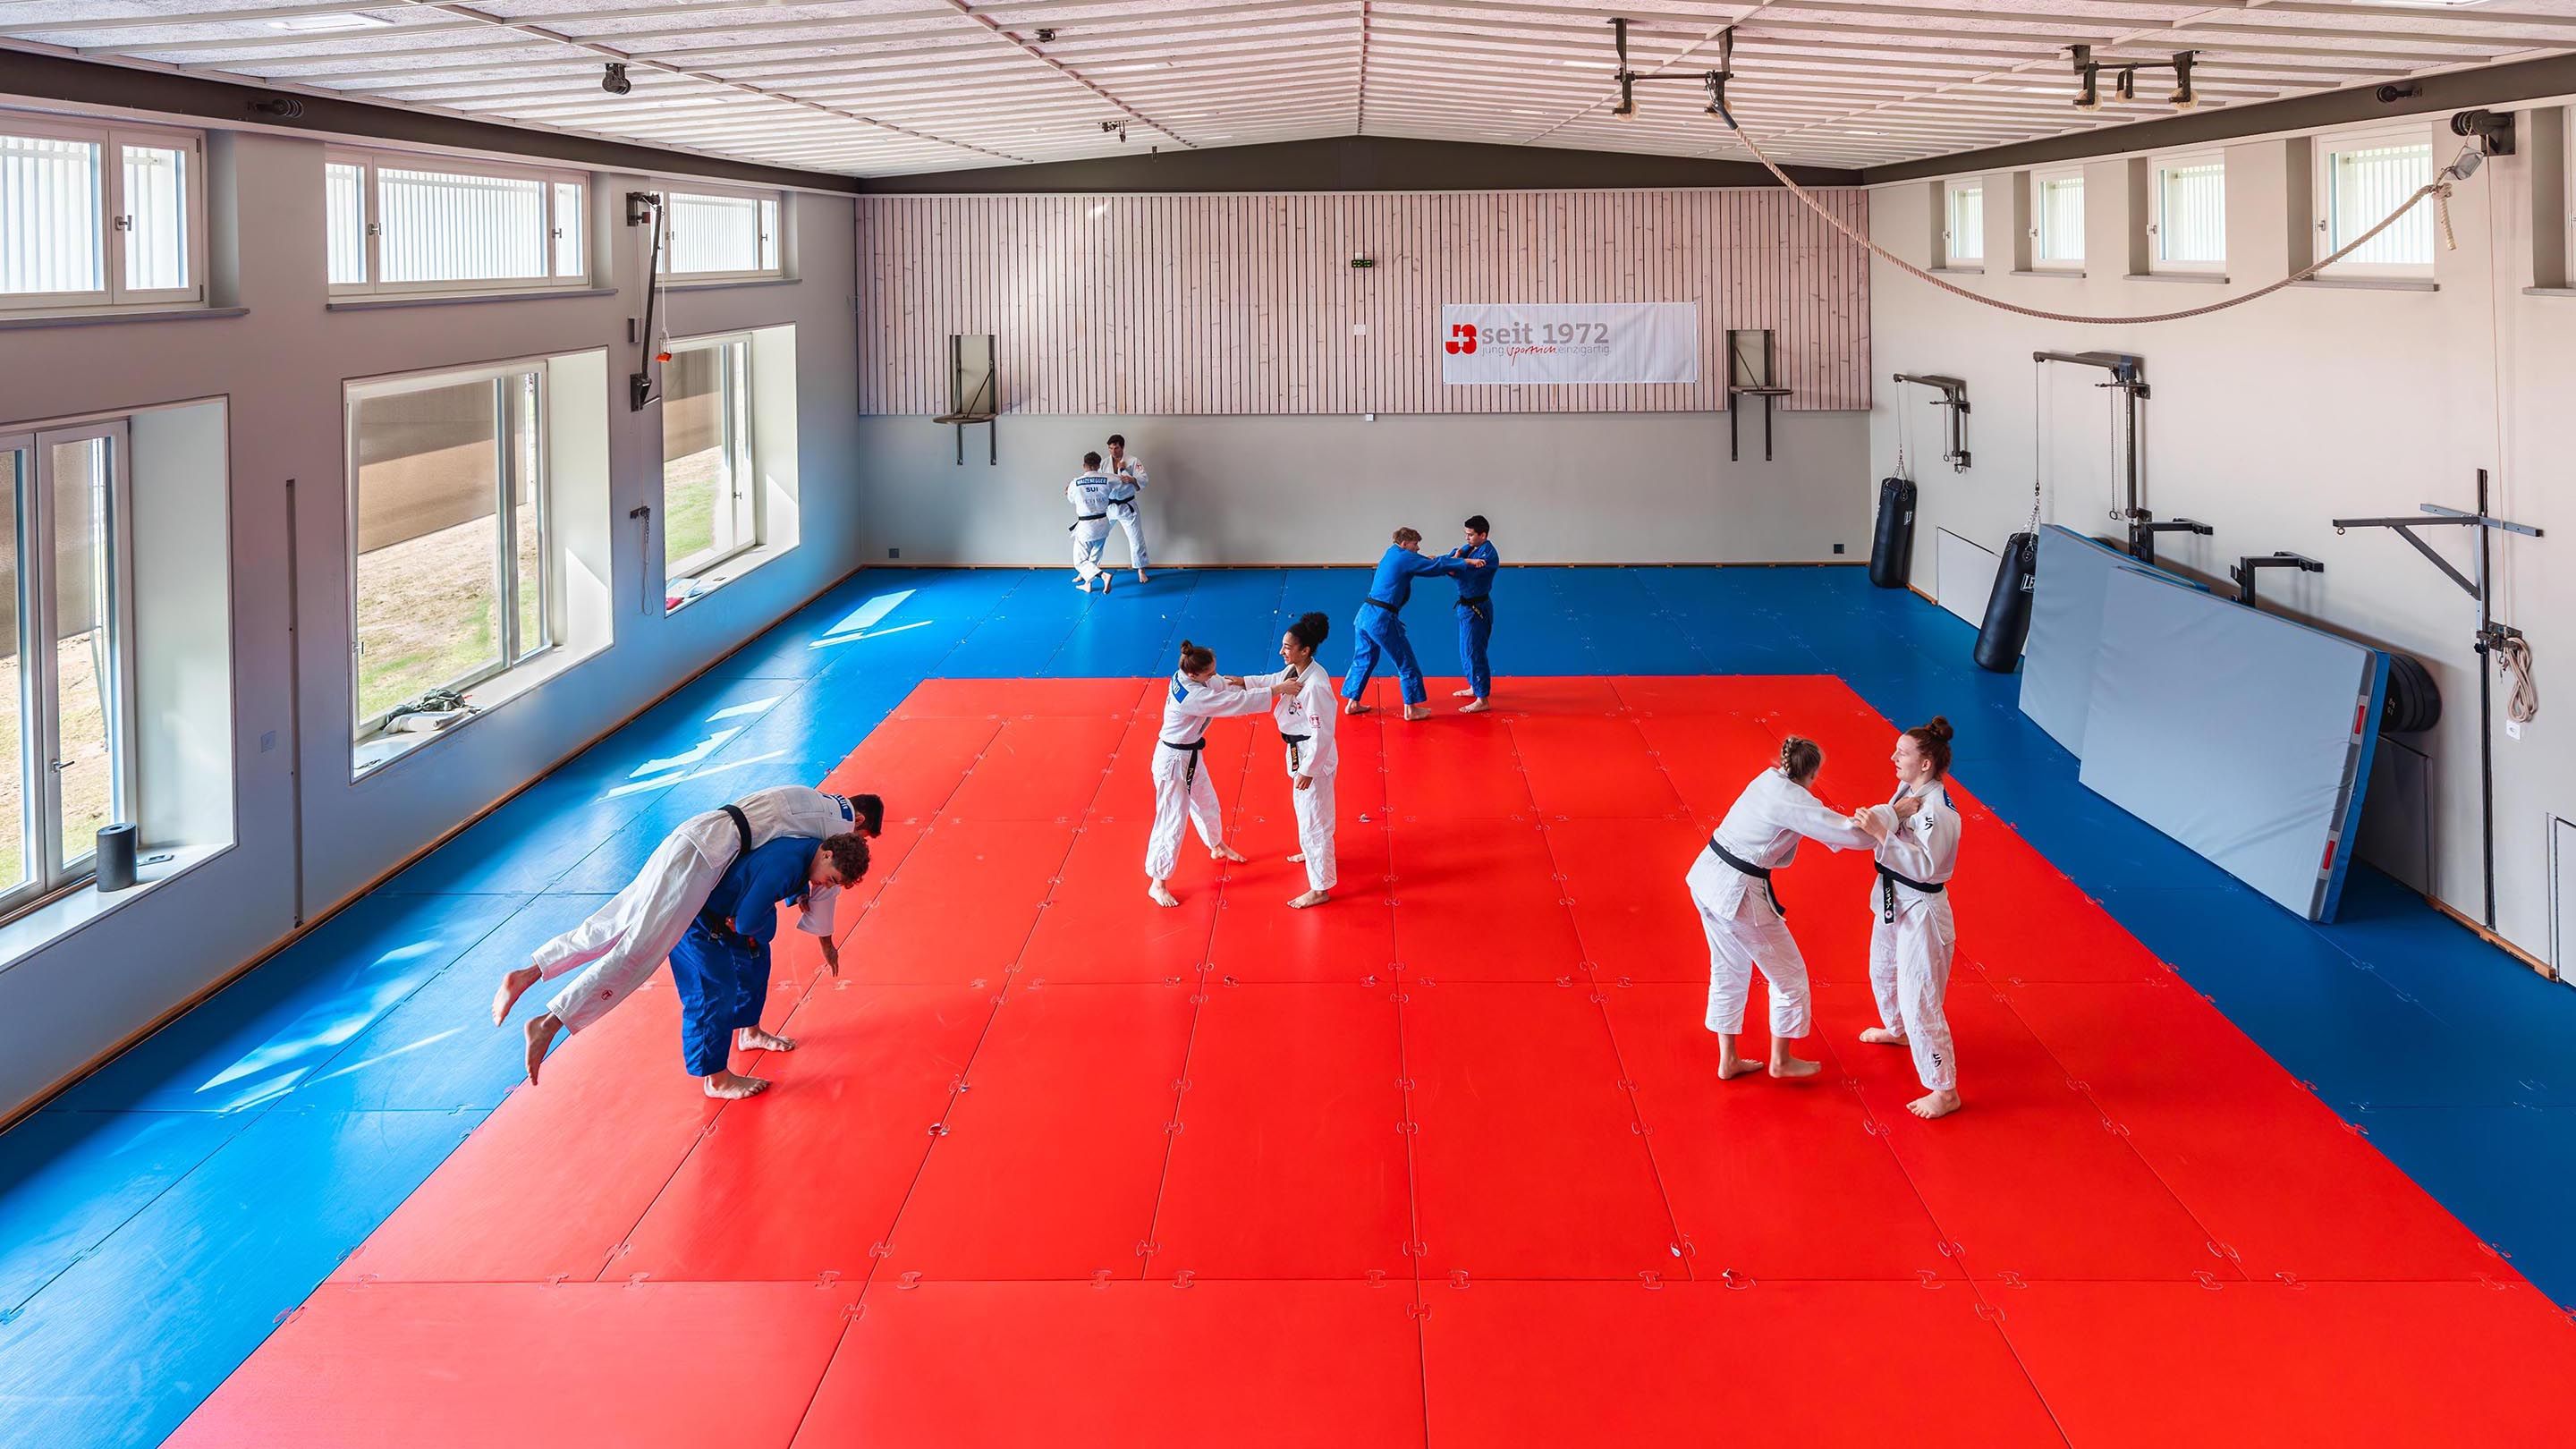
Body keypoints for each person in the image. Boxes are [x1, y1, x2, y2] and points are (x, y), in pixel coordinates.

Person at [492, 788, 885, 1085]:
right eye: (864, 836)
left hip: (696, 836)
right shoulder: (836, 831)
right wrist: (823, 941)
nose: (860, 841)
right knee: (641, 948)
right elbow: (811, 895)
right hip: (703, 856)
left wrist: (797, 897)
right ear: (858, 821)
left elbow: (802, 875)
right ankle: (552, 1021)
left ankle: (531, 970)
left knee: (620, 916)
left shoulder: (820, 803)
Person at [1688, 737, 1880, 1080]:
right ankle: (1781, 1061)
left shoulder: (1766, 779)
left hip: (1705, 878)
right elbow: (1852, 835)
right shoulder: (1794, 800)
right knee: (1789, 978)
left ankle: (1728, 1060)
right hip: (1737, 893)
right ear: (1814, 774)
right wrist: (1890, 816)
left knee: (1728, 970)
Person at [661, 829, 872, 1098]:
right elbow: (747, 923)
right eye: (831, 880)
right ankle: (716, 1080)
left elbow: (779, 886)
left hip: (731, 911)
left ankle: (750, 1033)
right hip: (695, 917)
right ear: (827, 855)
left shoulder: (809, 852)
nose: (826, 887)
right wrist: (764, 927)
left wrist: (799, 894)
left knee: (755, 962)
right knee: (714, 992)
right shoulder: (785, 865)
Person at [1854, 716, 1964, 1120]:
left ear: (1926, 764)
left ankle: (1944, 1089)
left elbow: (1927, 866)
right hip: (1892, 895)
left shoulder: (1939, 812)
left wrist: (1883, 832)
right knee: (1882, 969)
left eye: (1902, 754)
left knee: (1920, 997)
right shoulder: (1909, 790)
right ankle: (1898, 1030)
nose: (1893, 758)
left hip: (1921, 906)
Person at [1146, 640, 1281, 907]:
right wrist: (1275, 690)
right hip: (1173, 762)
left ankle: (1216, 845)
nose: (1214, 675)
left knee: (1207, 802)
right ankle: (1157, 882)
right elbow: (1233, 703)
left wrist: (1247, 683)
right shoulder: (1192, 696)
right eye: (1209, 673)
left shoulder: (1192, 674)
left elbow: (1223, 686)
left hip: (1189, 755)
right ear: (1194, 674)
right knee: (1172, 820)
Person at [1234, 612, 1339, 908]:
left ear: (1305, 650)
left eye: (1287, 647)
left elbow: (1323, 733)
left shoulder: (1315, 685)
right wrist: (1243, 683)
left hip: (1312, 755)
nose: (1282, 651)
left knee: (1315, 818)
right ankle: (1312, 853)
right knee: (1306, 812)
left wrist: (1309, 769)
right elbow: (1272, 680)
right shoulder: (1295, 670)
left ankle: (1320, 887)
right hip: (1299, 750)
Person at [1342, 527, 1487, 722]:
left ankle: (1352, 703)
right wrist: (1466, 562)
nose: (1418, 548)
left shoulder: (1392, 553)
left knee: (1363, 659)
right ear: (1404, 543)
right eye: (1415, 544)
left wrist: (1447, 558)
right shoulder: (1404, 558)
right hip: (1381, 619)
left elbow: (1426, 562)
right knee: (1406, 663)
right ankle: (1411, 709)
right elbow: (1434, 567)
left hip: (1364, 616)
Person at [1449, 515, 1500, 714]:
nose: (1467, 538)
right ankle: (1474, 686)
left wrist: (1453, 563)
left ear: (1483, 535)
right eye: (1466, 534)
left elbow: (1459, 572)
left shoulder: (1488, 557)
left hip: (1477, 609)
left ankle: (1482, 698)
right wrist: (1453, 559)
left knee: (1475, 652)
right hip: (1466, 607)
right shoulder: (1470, 548)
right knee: (1465, 650)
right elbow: (1453, 560)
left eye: (1471, 535)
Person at [1067, 452, 1117, 594]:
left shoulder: (1075, 483)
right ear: (1099, 465)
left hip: (1086, 526)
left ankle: (1103, 575)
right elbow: (1122, 482)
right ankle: (1088, 584)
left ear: (1084, 465)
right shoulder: (1108, 479)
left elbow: (1071, 499)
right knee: (1095, 556)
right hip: (1103, 523)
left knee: (1080, 561)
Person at [1106, 433, 1151, 585]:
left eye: (1116, 448)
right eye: (1111, 448)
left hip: (1127, 506)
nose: (1113, 451)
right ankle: (1088, 569)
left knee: (1136, 538)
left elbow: (1144, 479)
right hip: (1109, 506)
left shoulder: (1133, 461)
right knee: (1097, 536)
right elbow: (1095, 480)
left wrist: (1132, 479)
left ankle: (1141, 569)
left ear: (1123, 447)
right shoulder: (1104, 463)